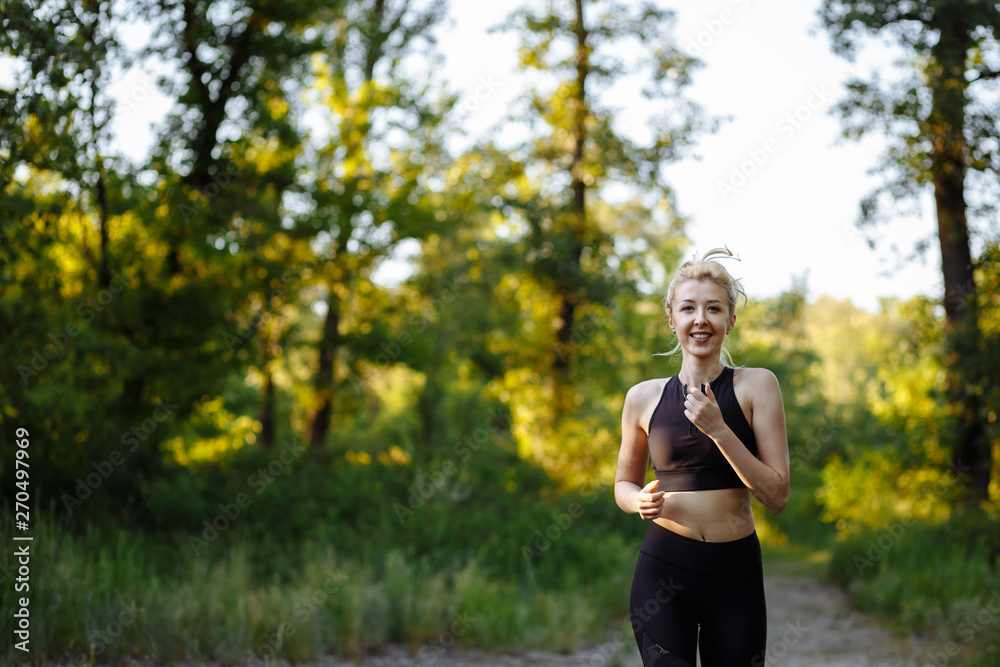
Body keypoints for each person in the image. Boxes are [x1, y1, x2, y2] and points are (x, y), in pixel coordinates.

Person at [614, 247, 790, 666]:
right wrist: (636, 500)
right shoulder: (643, 397)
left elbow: (776, 495)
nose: (700, 319)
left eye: (713, 308)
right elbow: (623, 482)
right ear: (671, 319)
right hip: (663, 571)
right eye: (688, 308)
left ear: (730, 320)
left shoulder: (757, 387)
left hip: (736, 573)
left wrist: (720, 430)